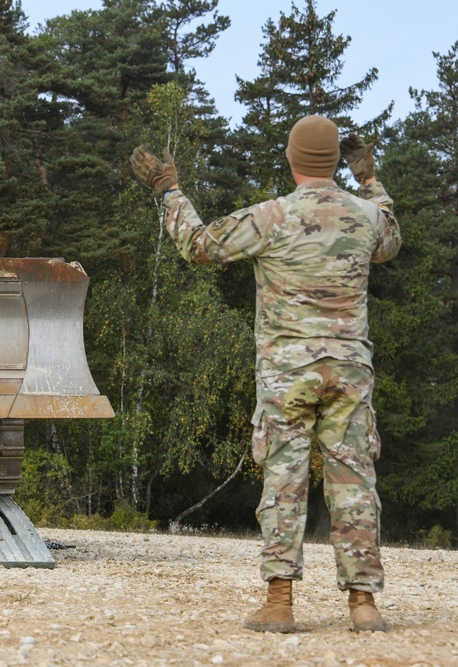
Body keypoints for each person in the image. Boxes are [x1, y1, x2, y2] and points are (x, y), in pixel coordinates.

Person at [130, 115, 401, 633]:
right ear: (333, 161)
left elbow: (198, 247)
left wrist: (169, 191)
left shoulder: (271, 217)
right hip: (348, 370)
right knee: (354, 481)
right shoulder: (365, 215)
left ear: (294, 160)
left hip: (287, 373)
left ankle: (279, 603)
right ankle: (364, 605)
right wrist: (369, 180)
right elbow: (391, 239)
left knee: (284, 481)